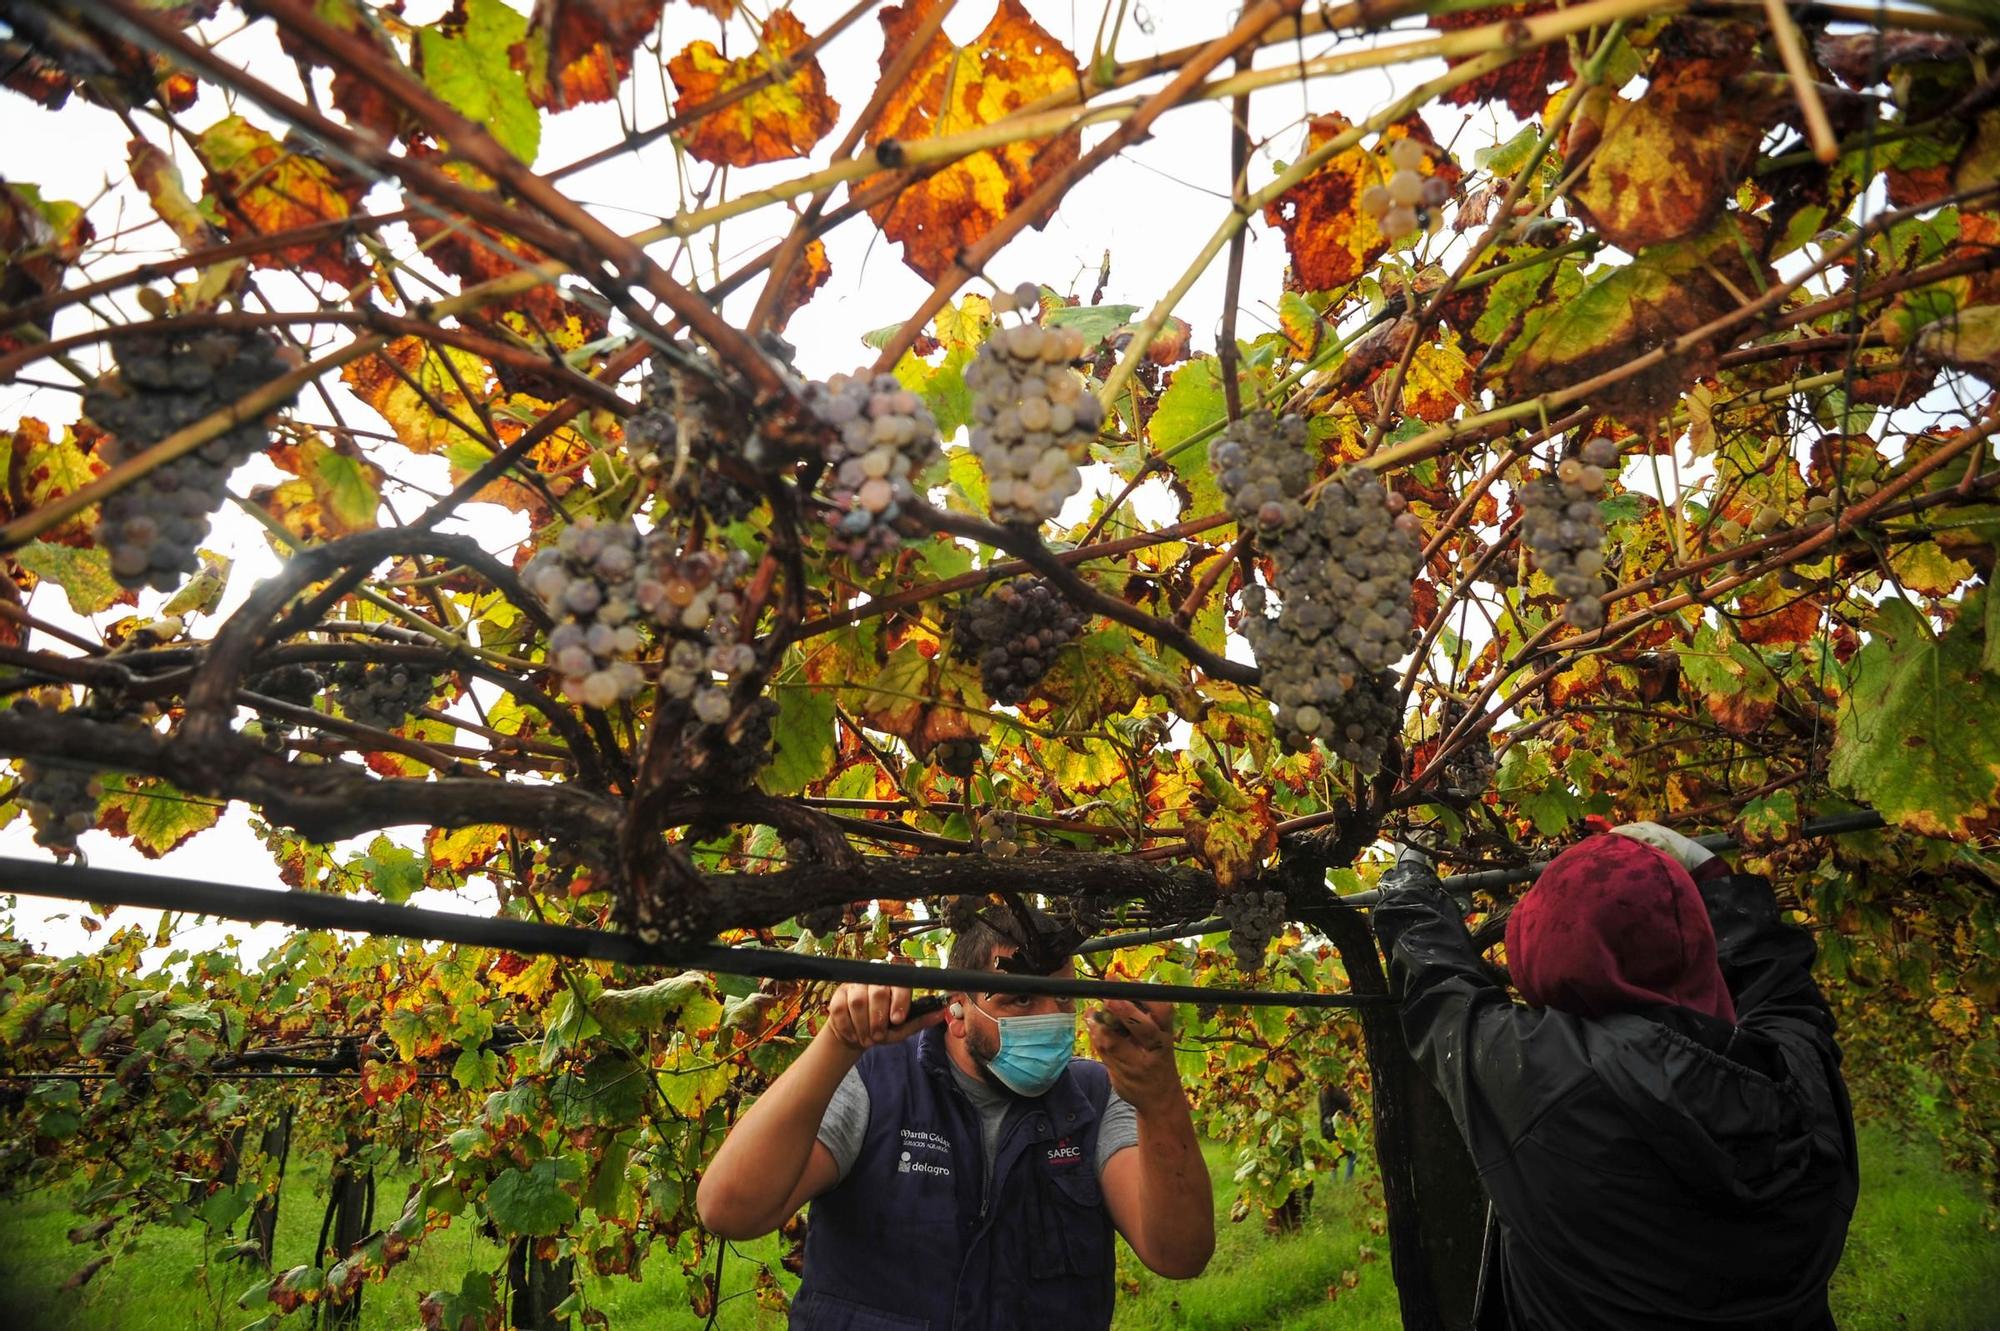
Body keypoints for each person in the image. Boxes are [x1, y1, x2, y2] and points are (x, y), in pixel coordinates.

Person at [1370, 822, 1859, 1331]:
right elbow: (1780, 983)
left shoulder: (1542, 1082)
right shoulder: (1800, 1075)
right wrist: (1701, 871)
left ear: (1537, 960)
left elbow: (1437, 986)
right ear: (1695, 938)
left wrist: (1408, 876)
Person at [696, 908, 1215, 1329]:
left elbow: (1178, 1254)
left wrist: (1161, 1097)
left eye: (1064, 999)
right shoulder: (874, 1081)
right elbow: (729, 1212)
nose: (1051, 1019)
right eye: (1020, 998)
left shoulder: (1101, 1097)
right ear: (957, 1009)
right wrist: (838, 1043)